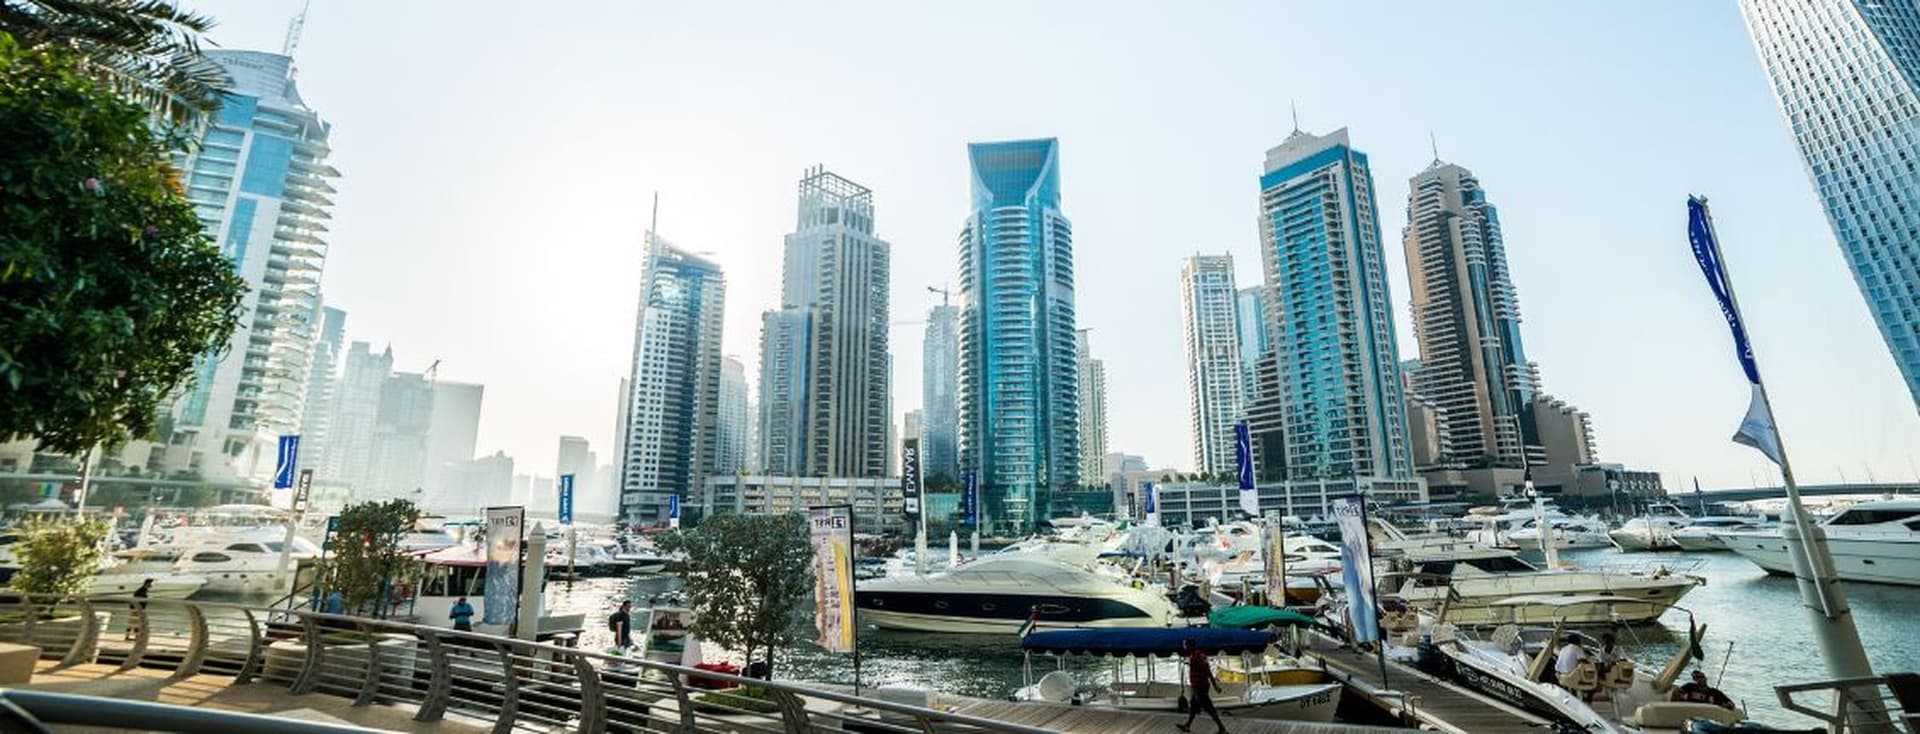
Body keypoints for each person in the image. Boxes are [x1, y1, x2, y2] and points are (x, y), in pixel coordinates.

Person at [1177, 638, 1228, 734]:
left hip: (1200, 686)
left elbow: (1207, 670)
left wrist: (1215, 686)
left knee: (1208, 707)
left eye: (1185, 645)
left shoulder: (1197, 656)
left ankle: (1222, 728)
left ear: (1190, 646)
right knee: (1193, 706)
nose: (1184, 647)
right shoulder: (1194, 656)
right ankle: (1187, 725)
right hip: (1196, 686)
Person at [1670, 670, 1737, 709]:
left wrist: (1726, 706)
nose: (1699, 679)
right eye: (1696, 678)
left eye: (1701, 677)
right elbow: (1675, 693)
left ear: (1705, 678)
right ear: (1694, 680)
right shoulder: (1689, 687)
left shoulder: (1714, 692)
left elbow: (1731, 704)